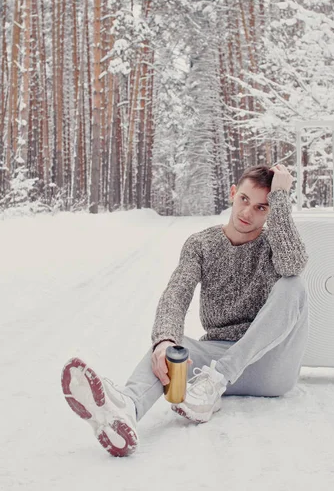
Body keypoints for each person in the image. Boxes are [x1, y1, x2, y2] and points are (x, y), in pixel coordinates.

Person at [61, 163, 309, 457]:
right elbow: (176, 293)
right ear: (233, 193)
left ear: (270, 211)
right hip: (217, 361)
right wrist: (165, 339)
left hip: (271, 366)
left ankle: (215, 384)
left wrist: (280, 197)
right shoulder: (201, 244)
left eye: (261, 207)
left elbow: (293, 265)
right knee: (171, 349)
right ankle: (125, 408)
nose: (247, 213)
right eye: (244, 200)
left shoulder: (273, 244)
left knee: (293, 285)